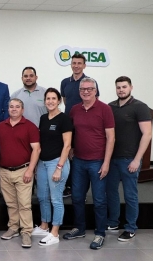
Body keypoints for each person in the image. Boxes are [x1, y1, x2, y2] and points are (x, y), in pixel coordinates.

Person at [63, 77, 114, 250]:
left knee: (99, 200)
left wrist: (106, 162)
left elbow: (111, 137)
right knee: (77, 197)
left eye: (89, 89)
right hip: (78, 161)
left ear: (95, 91)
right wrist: (71, 149)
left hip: (98, 161)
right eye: (82, 89)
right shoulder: (75, 110)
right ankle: (80, 228)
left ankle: (100, 234)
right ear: (79, 92)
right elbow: (72, 132)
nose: (85, 91)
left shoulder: (104, 109)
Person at [107, 76, 152, 241]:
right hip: (112, 159)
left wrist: (137, 159)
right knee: (110, 192)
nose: (121, 90)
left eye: (124, 87)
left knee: (130, 194)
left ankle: (131, 227)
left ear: (131, 87)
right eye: (118, 87)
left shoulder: (140, 107)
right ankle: (113, 222)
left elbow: (147, 134)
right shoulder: (110, 107)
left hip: (129, 159)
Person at [0, 98, 40, 249]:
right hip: (5, 172)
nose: (14, 109)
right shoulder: (0, 127)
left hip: (23, 171)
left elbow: (36, 149)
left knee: (24, 204)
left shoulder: (30, 127)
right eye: (11, 107)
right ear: (8, 109)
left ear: (23, 110)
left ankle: (26, 231)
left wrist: (30, 170)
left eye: (17, 107)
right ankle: (14, 228)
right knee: (11, 203)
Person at [35, 88, 73, 245]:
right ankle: (44, 225)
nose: (50, 101)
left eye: (53, 98)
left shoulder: (64, 119)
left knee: (56, 199)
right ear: (44, 101)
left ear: (59, 101)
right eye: (47, 98)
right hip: (42, 163)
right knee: (42, 196)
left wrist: (59, 167)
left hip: (57, 162)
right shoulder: (43, 118)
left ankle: (54, 233)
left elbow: (67, 145)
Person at [60, 53, 100, 197]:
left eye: (79, 63)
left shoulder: (89, 82)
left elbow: (95, 102)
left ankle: (81, 191)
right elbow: (65, 101)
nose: (76, 65)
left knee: (81, 156)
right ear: (71, 64)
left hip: (85, 126)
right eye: (74, 63)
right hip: (69, 124)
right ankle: (69, 186)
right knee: (68, 154)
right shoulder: (65, 82)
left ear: (84, 65)